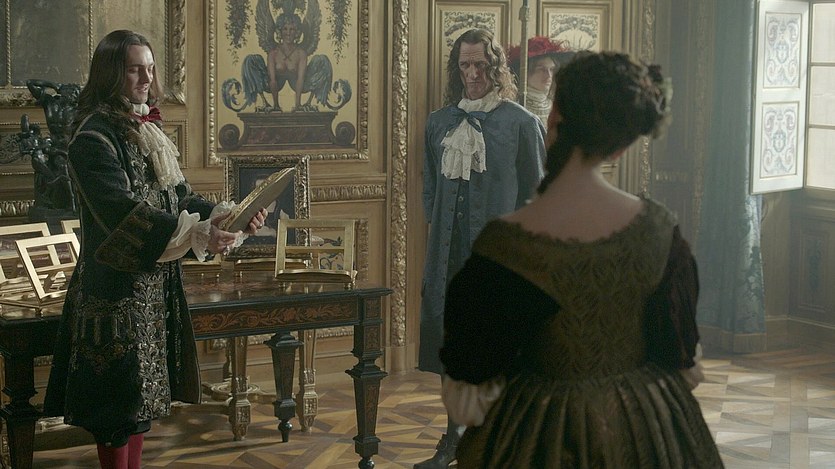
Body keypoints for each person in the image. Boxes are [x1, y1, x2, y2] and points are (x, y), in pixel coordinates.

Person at [439, 51, 724, 468]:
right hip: (649, 428)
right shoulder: (660, 230)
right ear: (622, 145)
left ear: (554, 117)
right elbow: (679, 357)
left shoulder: (506, 246)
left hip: (538, 434)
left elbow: (470, 393)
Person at [42, 30, 267, 469]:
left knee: (140, 408)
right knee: (115, 412)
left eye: (149, 68)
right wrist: (199, 233)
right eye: (134, 70)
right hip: (113, 294)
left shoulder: (147, 129)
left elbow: (179, 197)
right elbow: (123, 214)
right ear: (111, 74)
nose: (146, 79)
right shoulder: (92, 138)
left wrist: (226, 217)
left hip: (153, 288)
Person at [417, 28, 546, 469]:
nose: (472, 74)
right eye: (465, 65)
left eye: (481, 65)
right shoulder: (438, 123)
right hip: (447, 260)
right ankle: (452, 440)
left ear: (496, 67)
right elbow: (431, 191)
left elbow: (536, 199)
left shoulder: (521, 124)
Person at [506, 36, 574, 125]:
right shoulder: (513, 107)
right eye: (541, 69)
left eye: (551, 69)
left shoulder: (559, 107)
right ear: (525, 72)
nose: (549, 75)